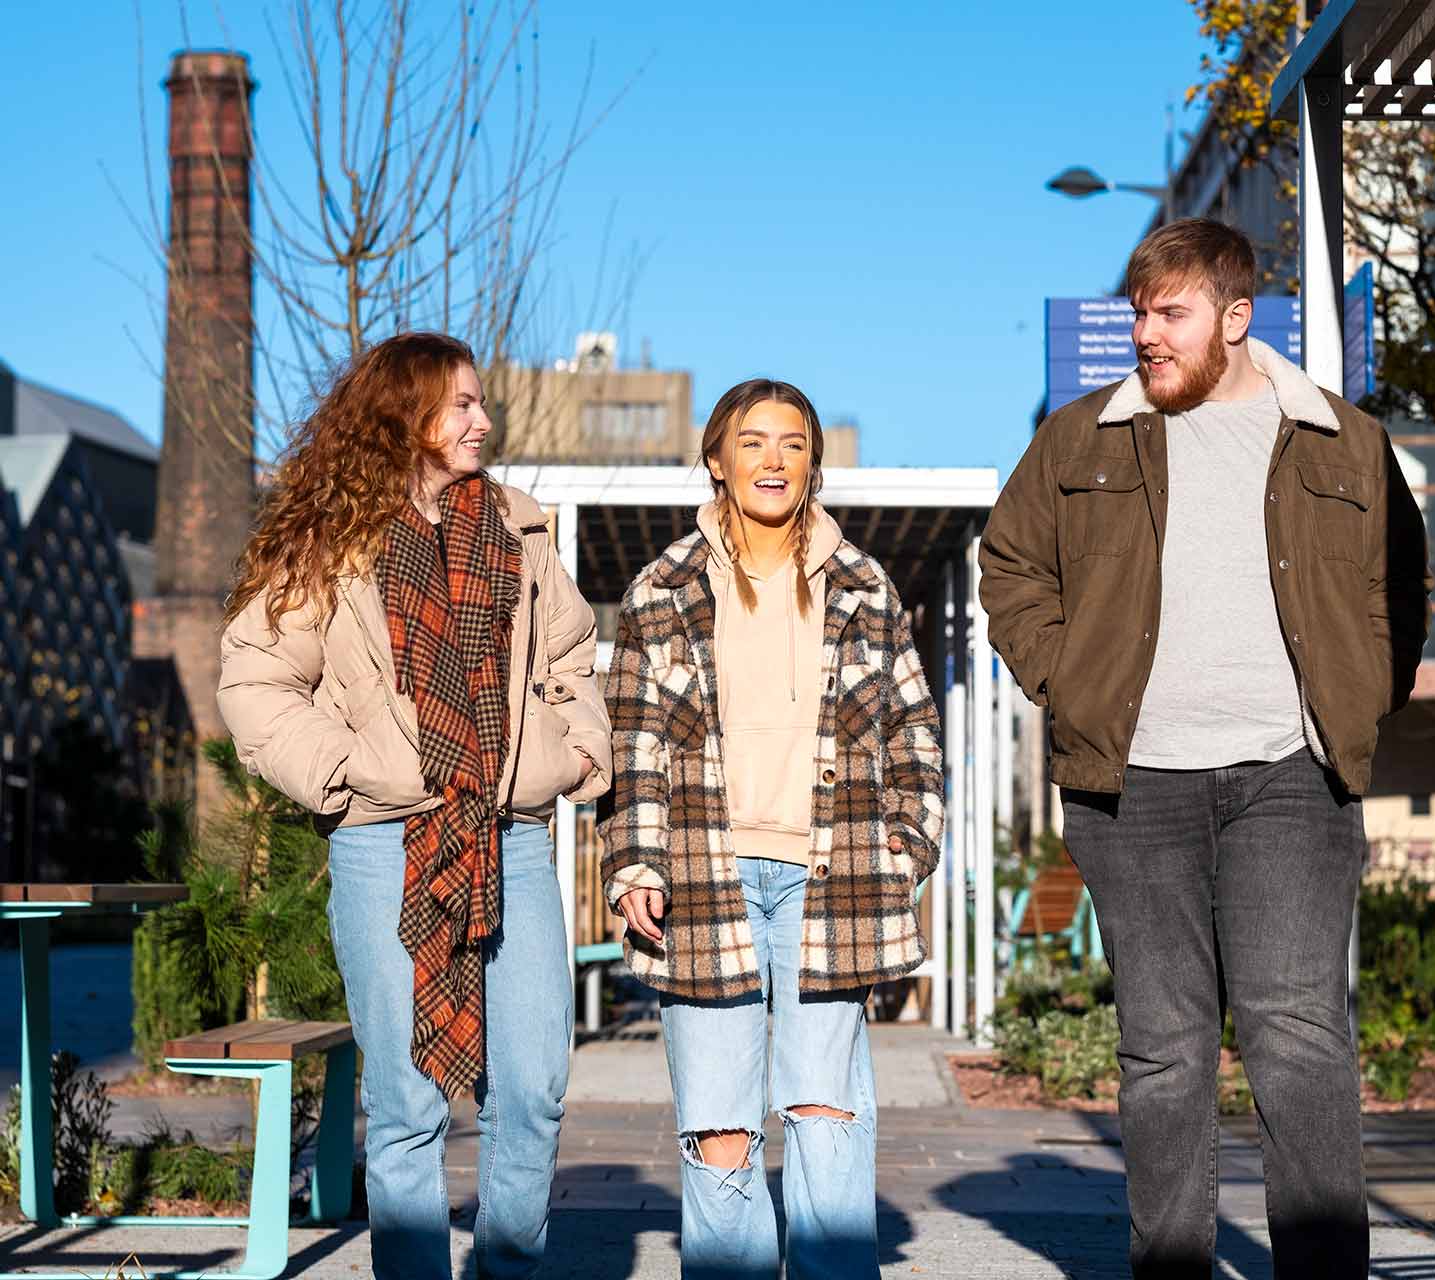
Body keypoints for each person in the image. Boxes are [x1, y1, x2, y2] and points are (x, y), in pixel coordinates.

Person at [979, 218, 1431, 1277]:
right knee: (1165, 1053)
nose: (1146, 332)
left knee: (1300, 1034)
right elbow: (1010, 566)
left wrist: (1359, 697)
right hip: (1133, 785)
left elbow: (1397, 589)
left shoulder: (1341, 438)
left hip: (1290, 774)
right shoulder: (1079, 437)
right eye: (1139, 310)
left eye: (1169, 312)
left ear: (1236, 317)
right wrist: (1067, 679)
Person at [217, 331, 611, 1280]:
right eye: (462, 405)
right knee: (407, 1103)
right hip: (383, 844)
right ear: (406, 418)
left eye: (480, 403)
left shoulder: (517, 529)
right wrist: (351, 771)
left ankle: (505, 1268)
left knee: (535, 1088)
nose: (484, 419)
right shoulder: (327, 540)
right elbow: (256, 682)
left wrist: (569, 755)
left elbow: (572, 659)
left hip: (509, 836)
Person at [599, 378, 943, 1279]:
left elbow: (915, 734)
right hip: (704, 879)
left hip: (834, 880)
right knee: (719, 1126)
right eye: (752, 442)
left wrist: (907, 850)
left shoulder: (865, 586)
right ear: (717, 459)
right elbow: (633, 743)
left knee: (826, 1109)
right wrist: (634, 863)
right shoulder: (661, 590)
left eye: (792, 443)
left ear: (812, 463)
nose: (773, 460)